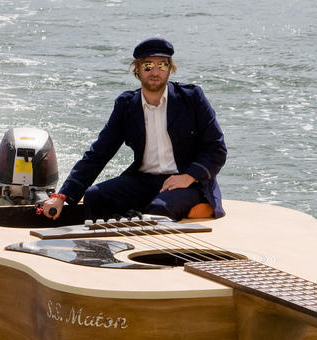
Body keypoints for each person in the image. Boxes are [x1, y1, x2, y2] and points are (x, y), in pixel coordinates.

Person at [40, 37, 227, 222]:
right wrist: (62, 195)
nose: (155, 72)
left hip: (186, 182)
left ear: (170, 69)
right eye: (148, 65)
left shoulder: (192, 98)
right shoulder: (127, 105)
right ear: (137, 69)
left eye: (162, 65)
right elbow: (98, 154)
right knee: (95, 196)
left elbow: (216, 148)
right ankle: (103, 242)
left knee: (158, 210)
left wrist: (189, 176)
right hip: (143, 180)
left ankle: (198, 208)